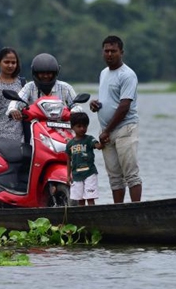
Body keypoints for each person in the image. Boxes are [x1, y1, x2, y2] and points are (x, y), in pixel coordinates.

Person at [90, 35, 142, 203]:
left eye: (113, 51)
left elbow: (124, 107)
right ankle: (118, 210)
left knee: (131, 174)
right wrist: (95, 105)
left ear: (122, 53)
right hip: (107, 132)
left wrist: (107, 131)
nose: (109, 54)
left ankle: (136, 210)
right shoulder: (103, 73)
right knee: (114, 176)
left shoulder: (128, 75)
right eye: (106, 51)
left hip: (124, 129)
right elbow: (108, 100)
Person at [7, 53, 78, 123]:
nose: (46, 76)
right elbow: (18, 101)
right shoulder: (29, 87)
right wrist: (13, 110)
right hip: (37, 127)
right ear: (35, 73)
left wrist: (74, 112)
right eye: (42, 73)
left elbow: (76, 106)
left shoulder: (65, 87)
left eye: (49, 73)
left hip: (63, 128)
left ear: (55, 73)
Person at [66, 112, 102, 206]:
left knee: (90, 198)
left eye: (85, 126)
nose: (82, 129)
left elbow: (97, 145)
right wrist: (68, 175)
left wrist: (102, 142)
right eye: (79, 126)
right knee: (80, 200)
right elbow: (68, 160)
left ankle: (92, 217)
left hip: (89, 173)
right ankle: (82, 218)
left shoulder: (89, 139)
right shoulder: (70, 144)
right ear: (72, 127)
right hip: (76, 175)